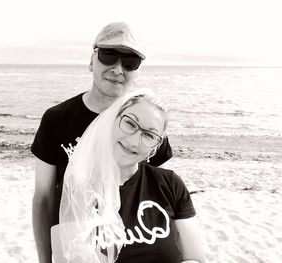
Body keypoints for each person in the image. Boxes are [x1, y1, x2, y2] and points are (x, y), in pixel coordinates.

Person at [31, 22, 173, 263]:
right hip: (72, 247)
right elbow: (43, 197)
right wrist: (45, 260)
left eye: (130, 62)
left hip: (131, 244)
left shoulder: (147, 129)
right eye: (108, 56)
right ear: (91, 61)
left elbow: (158, 196)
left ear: (137, 73)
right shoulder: (56, 119)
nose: (118, 69)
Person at [51, 89, 205, 263]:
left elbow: (195, 258)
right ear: (112, 120)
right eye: (130, 124)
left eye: (149, 135)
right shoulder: (76, 189)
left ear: (155, 147)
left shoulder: (170, 184)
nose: (134, 140)